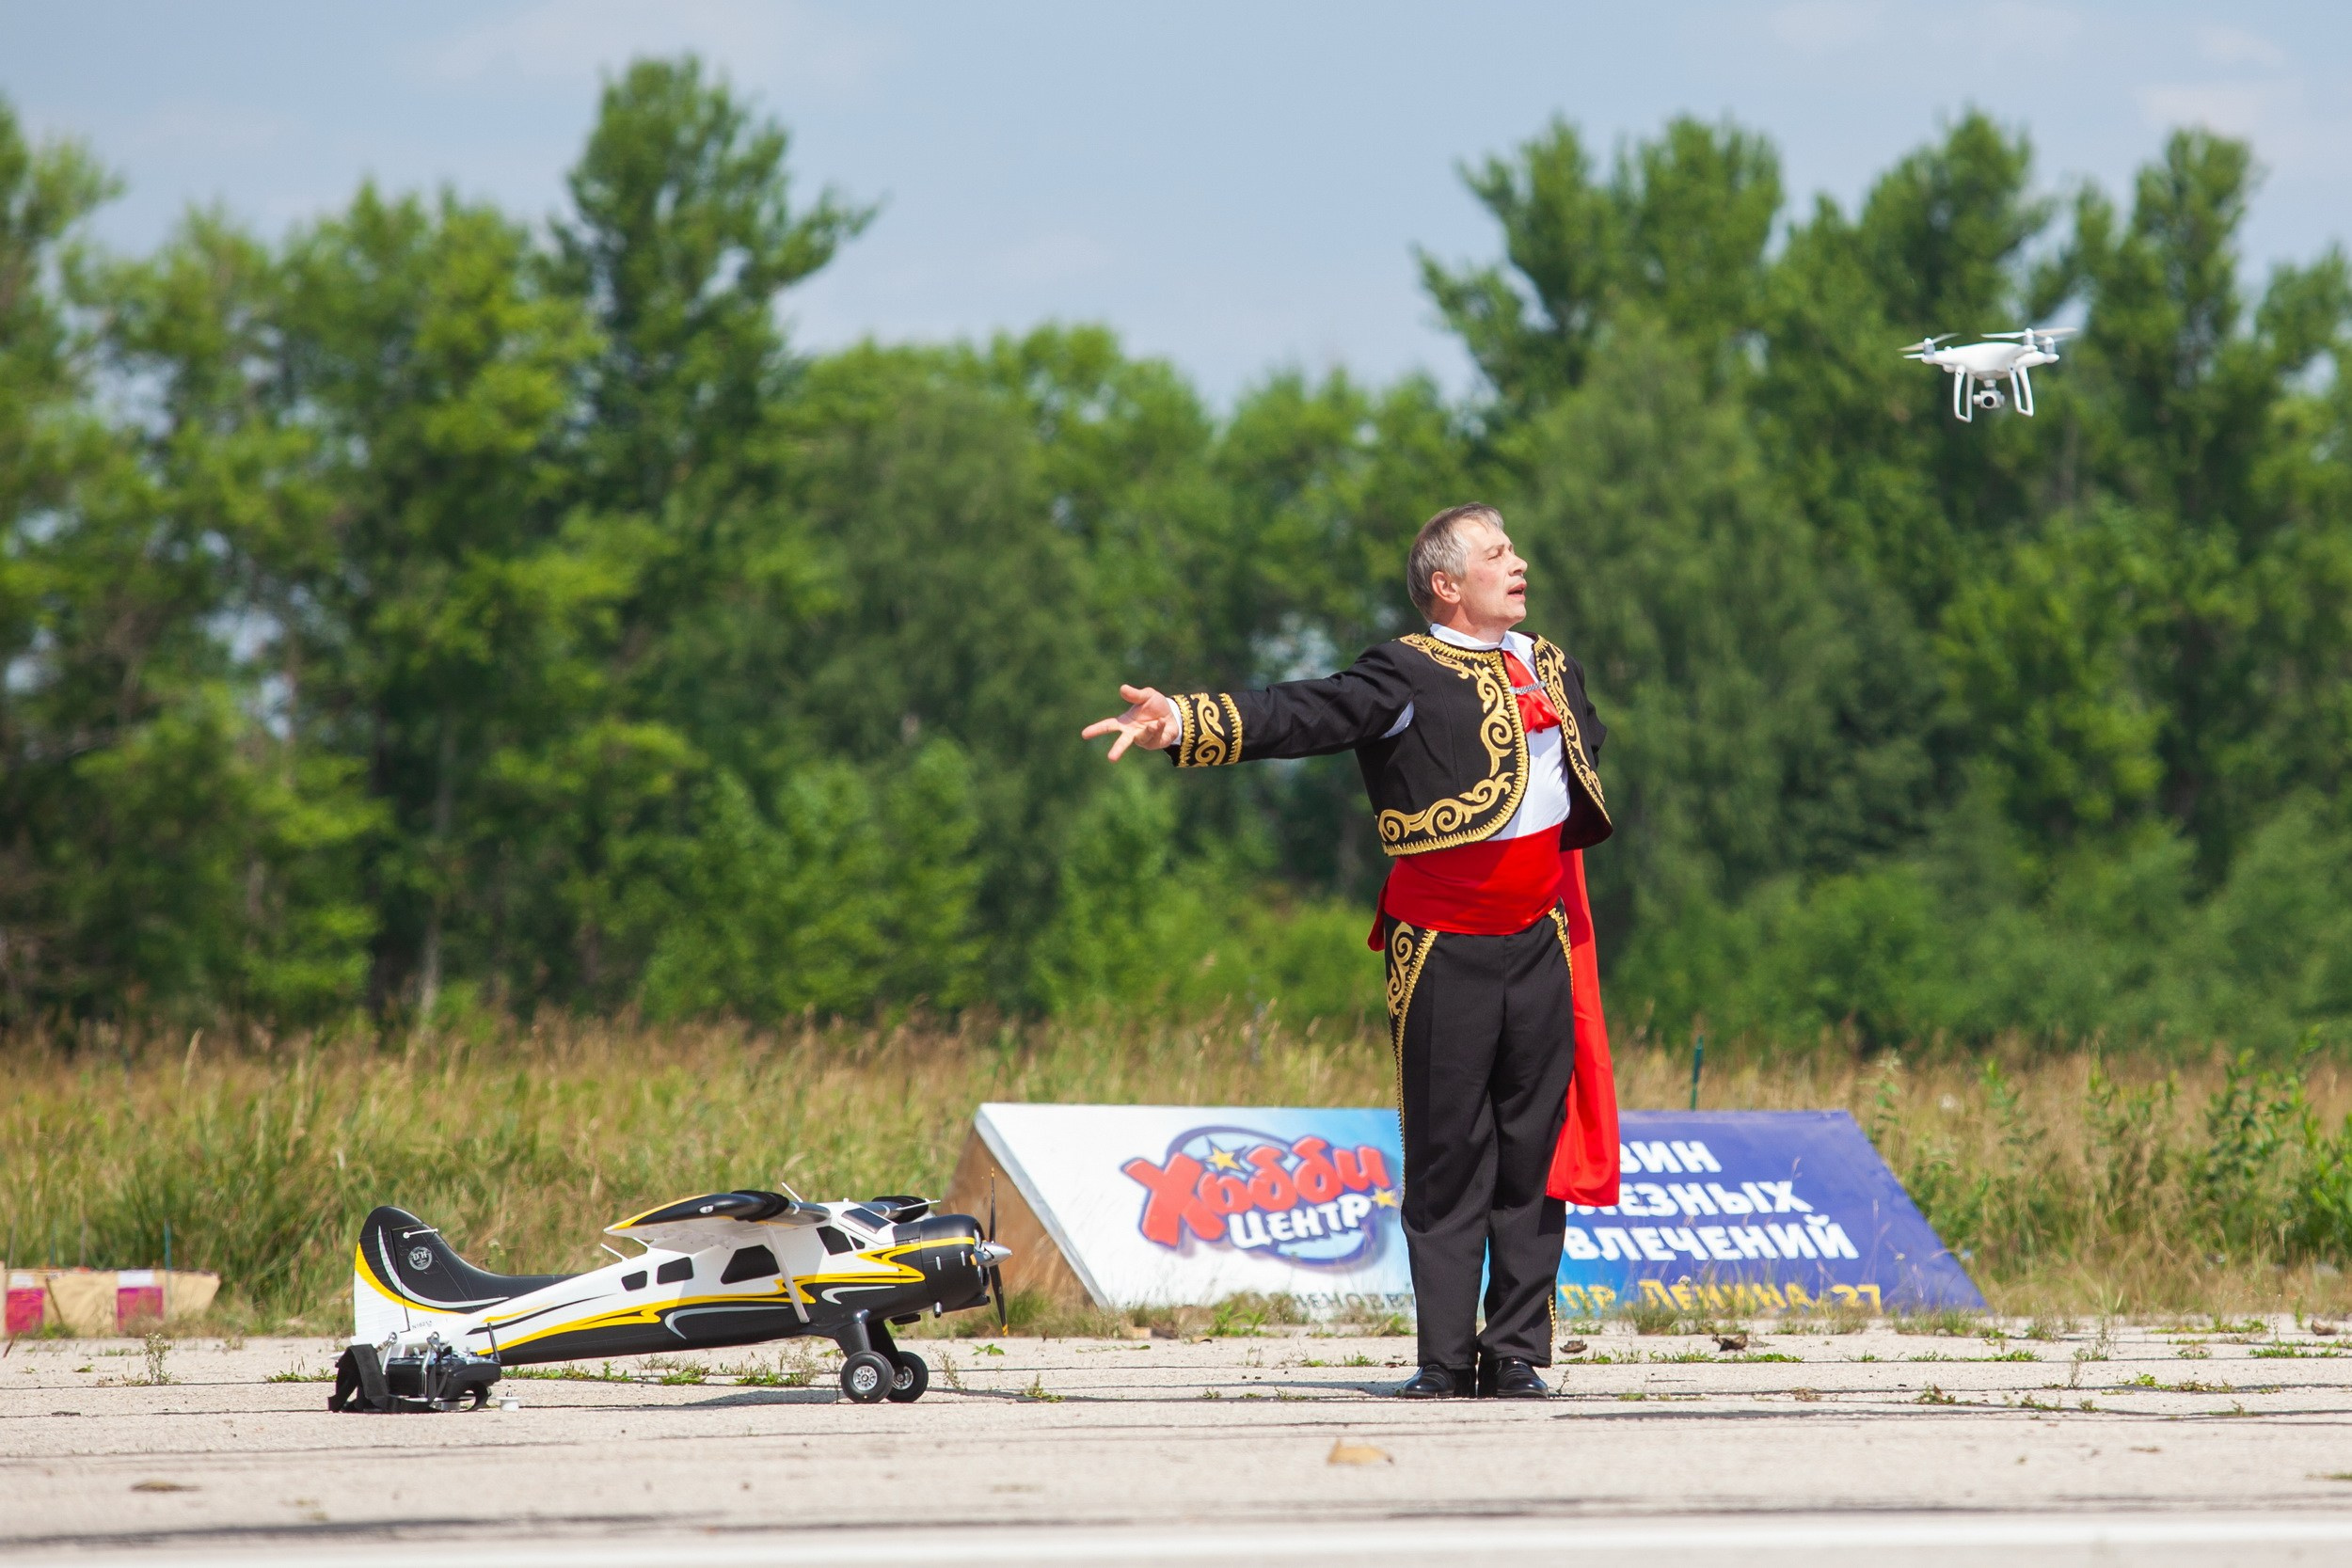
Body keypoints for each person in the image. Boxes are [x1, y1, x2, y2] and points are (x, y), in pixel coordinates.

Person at [1082, 502, 1621, 1400]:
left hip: (1540, 940)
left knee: (1531, 1149)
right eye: (1498, 554)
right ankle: (1446, 1358)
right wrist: (1184, 720)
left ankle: (1517, 1350)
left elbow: (1585, 750)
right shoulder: (1406, 671)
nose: (1519, 562)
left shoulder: (1552, 664)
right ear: (1447, 586)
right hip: (1443, 945)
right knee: (1450, 1154)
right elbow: (1304, 712)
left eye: (1514, 549)